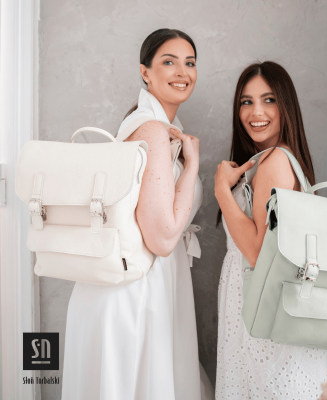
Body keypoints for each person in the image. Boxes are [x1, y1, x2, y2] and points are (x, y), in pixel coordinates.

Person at [62, 28, 214, 400]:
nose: (182, 72)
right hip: (135, 292)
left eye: (190, 62)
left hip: (145, 285)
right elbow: (162, 238)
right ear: (145, 72)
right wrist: (193, 166)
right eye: (169, 61)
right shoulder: (152, 130)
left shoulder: (157, 127)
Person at [214, 61, 327, 400]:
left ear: (286, 106)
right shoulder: (277, 159)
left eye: (269, 100)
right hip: (265, 303)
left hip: (263, 307)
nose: (256, 112)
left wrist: (222, 192)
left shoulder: (275, 161)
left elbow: (256, 253)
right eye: (246, 102)